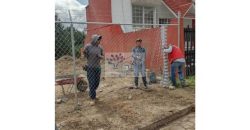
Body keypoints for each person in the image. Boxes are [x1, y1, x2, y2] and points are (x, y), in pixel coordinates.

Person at [83, 34, 104, 105]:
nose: (99, 41)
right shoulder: (88, 46)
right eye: (98, 39)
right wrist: (83, 61)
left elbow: (102, 55)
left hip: (98, 67)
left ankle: (91, 92)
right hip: (90, 67)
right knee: (91, 82)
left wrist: (100, 56)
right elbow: (84, 55)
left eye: (100, 39)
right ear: (94, 39)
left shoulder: (100, 47)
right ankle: (93, 97)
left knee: (97, 83)